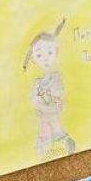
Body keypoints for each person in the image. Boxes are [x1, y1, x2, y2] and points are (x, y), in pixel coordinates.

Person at [23, 18, 76, 158]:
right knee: (46, 129)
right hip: (43, 114)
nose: (45, 58)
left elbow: (58, 95)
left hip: (51, 111)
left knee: (54, 127)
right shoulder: (37, 83)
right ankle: (47, 148)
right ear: (33, 59)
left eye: (49, 53)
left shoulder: (56, 78)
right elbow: (33, 98)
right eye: (39, 54)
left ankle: (60, 144)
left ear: (56, 53)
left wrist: (50, 98)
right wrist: (39, 100)